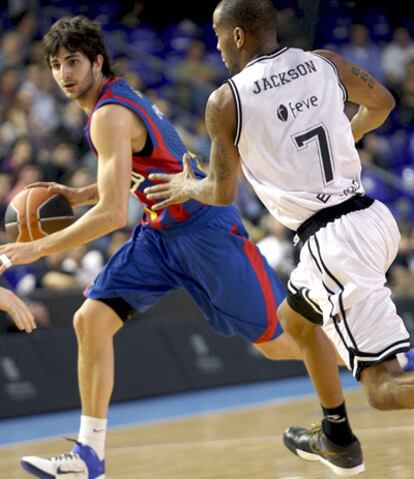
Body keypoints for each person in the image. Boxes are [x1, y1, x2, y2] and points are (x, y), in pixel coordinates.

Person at [0, 15, 342, 479]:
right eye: (57, 64)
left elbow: (113, 216)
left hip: (205, 233)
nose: (64, 74)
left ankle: (383, 356)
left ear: (97, 62)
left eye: (74, 61)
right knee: (90, 320)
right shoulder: (113, 104)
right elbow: (139, 173)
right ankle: (89, 455)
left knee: (280, 344)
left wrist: (36, 250)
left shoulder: (109, 115)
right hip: (161, 237)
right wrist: (81, 195)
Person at [145, 0, 414, 475]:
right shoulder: (324, 62)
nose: (217, 44)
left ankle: (340, 434)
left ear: (239, 37)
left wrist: (187, 184)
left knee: (383, 389)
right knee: (294, 322)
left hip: (333, 240)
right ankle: (336, 435)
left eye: (218, 33)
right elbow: (384, 104)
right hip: (371, 217)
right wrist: (344, 137)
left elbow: (222, 191)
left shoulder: (226, 101)